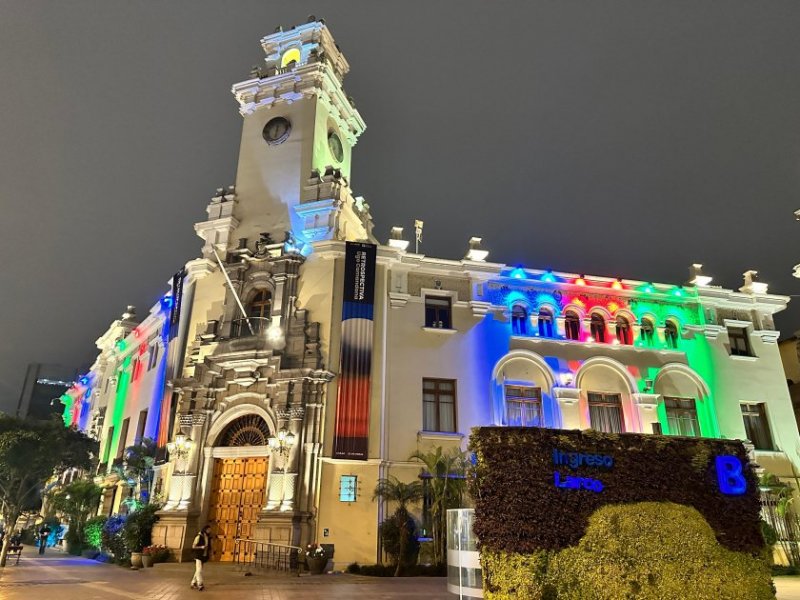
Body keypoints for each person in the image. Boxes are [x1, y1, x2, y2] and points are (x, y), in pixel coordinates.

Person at [190, 525, 212, 591]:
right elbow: (193, 546)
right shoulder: (199, 536)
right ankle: (200, 584)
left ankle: (193, 583)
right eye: (208, 529)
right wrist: (201, 547)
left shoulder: (208, 537)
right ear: (205, 529)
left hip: (203, 555)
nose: (209, 531)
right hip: (198, 555)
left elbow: (209, 546)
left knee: (198, 570)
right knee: (199, 570)